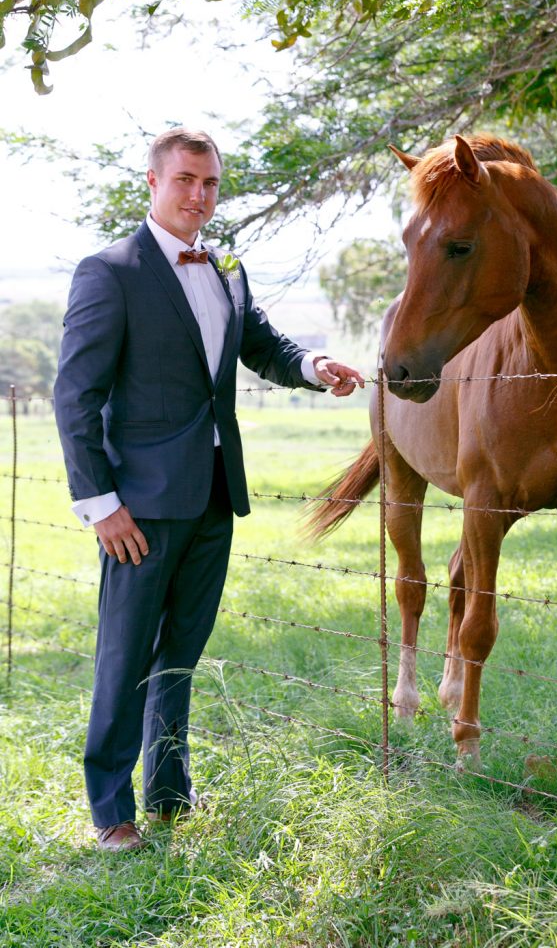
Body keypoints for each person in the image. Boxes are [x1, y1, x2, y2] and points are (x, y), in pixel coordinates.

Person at [54, 127, 364, 852]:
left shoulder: (228, 266)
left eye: (211, 183)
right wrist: (101, 505)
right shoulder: (109, 271)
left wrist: (314, 364)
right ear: (154, 184)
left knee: (180, 655)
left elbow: (262, 344)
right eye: (186, 180)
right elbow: (75, 395)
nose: (200, 195)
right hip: (137, 507)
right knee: (124, 655)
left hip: (216, 493)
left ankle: (169, 792)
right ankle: (111, 811)